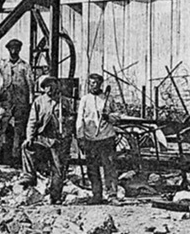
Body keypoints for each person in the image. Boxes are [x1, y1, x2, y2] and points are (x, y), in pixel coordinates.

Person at [19, 76, 73, 205]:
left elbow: (71, 121)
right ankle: (29, 176)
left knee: (58, 168)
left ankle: (55, 196)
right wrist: (29, 137)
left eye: (52, 85)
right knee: (26, 147)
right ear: (43, 88)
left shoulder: (64, 101)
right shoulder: (39, 102)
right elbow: (32, 121)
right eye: (46, 86)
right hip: (42, 137)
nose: (50, 88)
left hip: (58, 139)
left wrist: (66, 126)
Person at [0, 38, 35, 163]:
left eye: (16, 48)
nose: (14, 51)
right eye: (12, 48)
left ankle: (16, 156)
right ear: (8, 49)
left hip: (21, 102)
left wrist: (30, 102)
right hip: (6, 102)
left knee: (19, 130)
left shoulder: (25, 66)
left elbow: (31, 84)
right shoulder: (2, 64)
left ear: (20, 49)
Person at [76, 73, 118, 203]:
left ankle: (112, 195)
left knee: (109, 167)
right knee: (92, 169)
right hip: (90, 139)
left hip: (106, 137)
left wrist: (108, 117)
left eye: (95, 83)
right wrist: (80, 137)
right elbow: (80, 119)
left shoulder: (108, 99)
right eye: (90, 83)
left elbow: (117, 116)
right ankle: (96, 195)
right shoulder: (85, 100)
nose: (93, 86)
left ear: (100, 84)